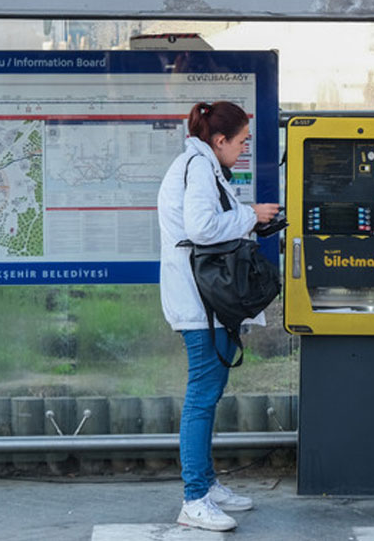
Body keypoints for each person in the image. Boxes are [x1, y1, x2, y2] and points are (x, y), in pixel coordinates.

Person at [157, 101, 280, 532]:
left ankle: (207, 485)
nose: (243, 150)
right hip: (198, 303)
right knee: (202, 398)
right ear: (219, 140)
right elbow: (202, 228)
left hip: (207, 301)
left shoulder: (202, 166)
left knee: (209, 392)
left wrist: (251, 221)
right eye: (241, 143)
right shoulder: (197, 168)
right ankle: (194, 498)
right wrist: (251, 216)